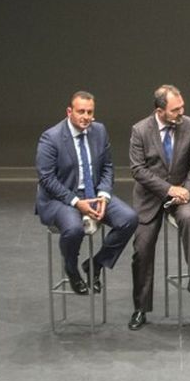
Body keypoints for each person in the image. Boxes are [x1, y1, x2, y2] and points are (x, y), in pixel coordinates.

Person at [35, 91, 140, 296]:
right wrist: (76, 202)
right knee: (75, 229)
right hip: (61, 197)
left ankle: (95, 264)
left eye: (90, 112)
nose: (86, 117)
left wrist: (103, 195)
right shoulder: (51, 137)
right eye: (81, 111)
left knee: (129, 219)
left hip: (93, 193)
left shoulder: (99, 131)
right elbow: (46, 179)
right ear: (69, 111)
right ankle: (72, 269)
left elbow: (108, 167)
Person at [126, 84, 190, 330]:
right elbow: (138, 170)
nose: (181, 113)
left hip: (183, 194)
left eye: (182, 107)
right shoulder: (140, 130)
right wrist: (169, 189)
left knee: (189, 219)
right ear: (160, 111)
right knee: (142, 249)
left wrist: (188, 190)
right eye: (175, 110)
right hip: (151, 197)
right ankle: (140, 308)